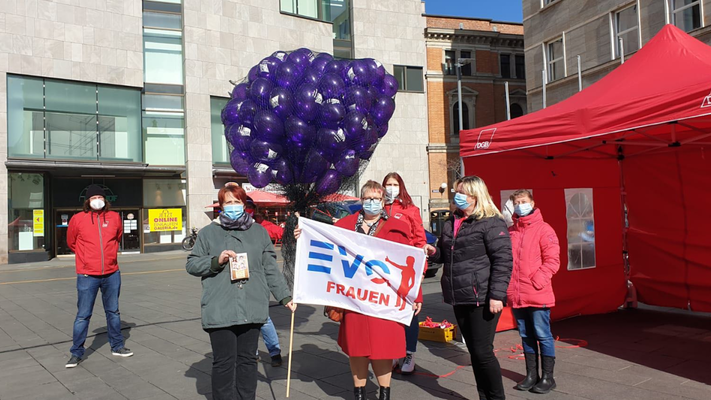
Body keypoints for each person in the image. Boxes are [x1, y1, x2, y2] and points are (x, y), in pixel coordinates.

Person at [295, 180, 422, 400]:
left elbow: (411, 261)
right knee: (358, 348)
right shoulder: (344, 225)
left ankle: (384, 393)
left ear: (383, 201)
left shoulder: (399, 227)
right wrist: (303, 235)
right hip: (353, 299)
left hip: (384, 299)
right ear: (361, 200)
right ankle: (360, 393)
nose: (372, 202)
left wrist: (416, 295)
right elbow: (324, 247)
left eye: (377, 198)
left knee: (384, 349)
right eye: (368, 198)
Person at [186, 183, 296, 400]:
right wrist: (216, 260)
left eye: (237, 202)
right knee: (224, 362)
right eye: (228, 202)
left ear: (244, 204)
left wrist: (285, 297)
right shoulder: (208, 233)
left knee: (247, 361)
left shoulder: (259, 232)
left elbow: (270, 268)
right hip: (220, 307)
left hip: (251, 303)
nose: (233, 206)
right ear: (221, 206)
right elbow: (192, 265)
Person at [424, 176, 513, 400]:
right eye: (456, 192)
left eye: (461, 193)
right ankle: (484, 396)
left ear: (475, 195)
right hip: (459, 295)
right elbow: (447, 255)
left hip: (481, 297)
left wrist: (497, 295)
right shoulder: (451, 221)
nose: (457, 197)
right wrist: (434, 252)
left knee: (483, 352)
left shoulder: (491, 221)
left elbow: (503, 260)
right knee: (474, 352)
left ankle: (496, 397)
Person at [65, 184, 133, 368]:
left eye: (100, 197)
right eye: (93, 198)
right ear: (87, 201)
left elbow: (117, 238)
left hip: (112, 273)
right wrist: (87, 258)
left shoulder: (114, 218)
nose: (97, 200)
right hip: (87, 275)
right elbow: (71, 242)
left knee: (113, 312)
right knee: (83, 315)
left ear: (105, 200)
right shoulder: (78, 219)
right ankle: (76, 352)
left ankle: (117, 346)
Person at [507, 190, 560, 394]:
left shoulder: (544, 229)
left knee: (543, 335)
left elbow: (552, 261)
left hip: (537, 292)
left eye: (524, 201)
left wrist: (537, 280)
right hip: (517, 294)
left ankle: (548, 377)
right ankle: (531, 375)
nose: (521, 205)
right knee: (525, 335)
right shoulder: (512, 231)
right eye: (517, 202)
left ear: (532, 203)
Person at [382, 172, 427, 374]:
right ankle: (393, 351)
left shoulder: (410, 209)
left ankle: (409, 352)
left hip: (406, 270)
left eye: (394, 184)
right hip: (384, 270)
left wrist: (422, 270)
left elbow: (420, 241)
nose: (391, 188)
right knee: (388, 312)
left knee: (409, 312)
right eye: (387, 184)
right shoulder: (379, 209)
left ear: (401, 186)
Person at [243, 197, 284, 367]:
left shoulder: (261, 227)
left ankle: (274, 352)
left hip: (257, 280)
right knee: (244, 320)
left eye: (249, 207)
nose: (246, 210)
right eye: (244, 207)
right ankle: (253, 352)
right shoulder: (228, 228)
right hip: (238, 279)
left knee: (263, 319)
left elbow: (280, 233)